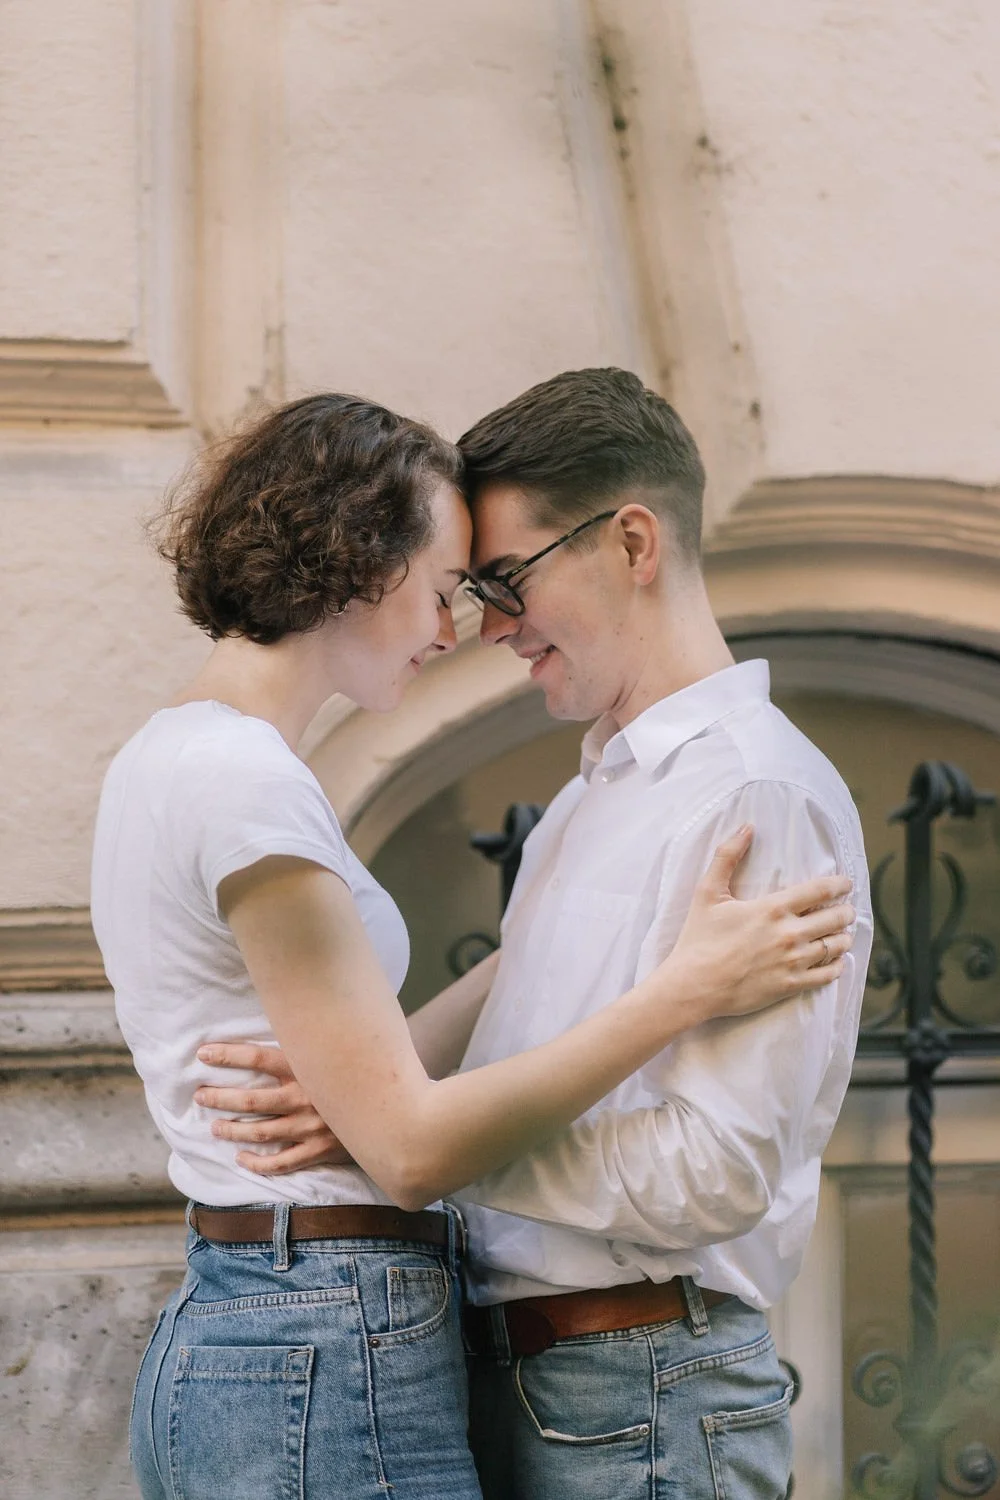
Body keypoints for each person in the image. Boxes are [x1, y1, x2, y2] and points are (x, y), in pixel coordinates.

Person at [91, 390, 855, 1500]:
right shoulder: (569, 797)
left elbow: (716, 1169)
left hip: (630, 1379)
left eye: (500, 583)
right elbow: (414, 1124)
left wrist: (401, 1117)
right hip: (429, 1344)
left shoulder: (751, 792)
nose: (478, 628)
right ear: (363, 563)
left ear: (631, 542)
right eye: (460, 587)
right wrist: (394, 1109)